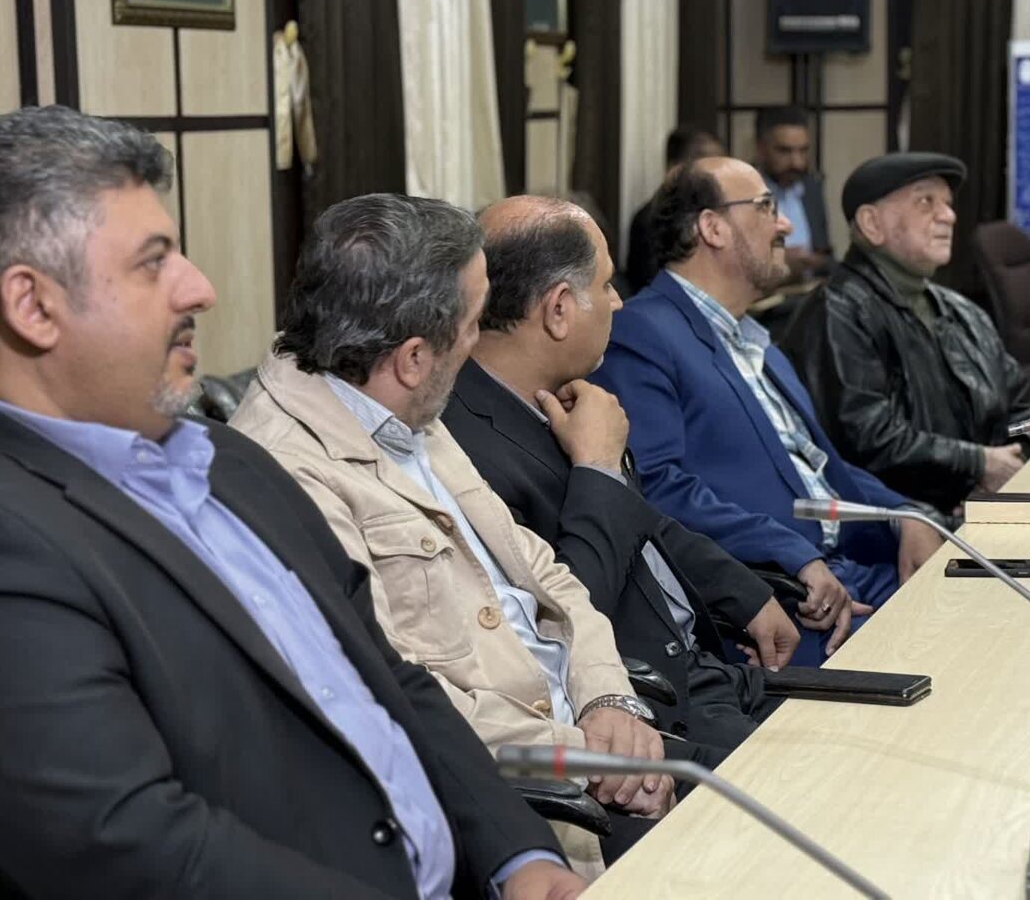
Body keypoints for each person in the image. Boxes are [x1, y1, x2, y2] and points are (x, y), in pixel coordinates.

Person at [0, 106, 583, 899]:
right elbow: (141, 856)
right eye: (153, 263)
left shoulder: (224, 458)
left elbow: (388, 675)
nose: (199, 288)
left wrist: (519, 854)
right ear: (32, 307)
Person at [230, 193, 686, 868]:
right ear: (415, 356)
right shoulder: (284, 471)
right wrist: (588, 754)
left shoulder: (398, 402)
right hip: (524, 805)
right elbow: (391, 692)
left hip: (592, 737)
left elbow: (545, 574)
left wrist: (610, 698)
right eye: (475, 323)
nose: (481, 344)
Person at [442, 195, 801, 764]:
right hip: (646, 713)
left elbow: (640, 519)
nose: (618, 301)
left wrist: (743, 591)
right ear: (559, 310)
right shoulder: (460, 446)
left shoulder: (566, 392)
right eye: (606, 285)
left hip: (710, 670)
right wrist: (599, 469)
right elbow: (557, 619)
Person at [591, 157, 943, 665]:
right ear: (712, 227)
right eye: (766, 207)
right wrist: (792, 555)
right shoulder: (642, 333)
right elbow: (655, 486)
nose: (786, 225)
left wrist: (905, 514)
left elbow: (824, 471)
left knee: (1007, 609)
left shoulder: (760, 344)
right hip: (784, 598)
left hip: (857, 569)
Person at [781, 153, 1030, 513]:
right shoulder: (837, 311)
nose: (948, 216)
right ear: (872, 223)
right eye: (926, 202)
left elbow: (1025, 411)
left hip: (989, 507)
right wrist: (978, 466)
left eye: (948, 204)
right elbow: (866, 439)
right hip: (904, 526)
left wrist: (1013, 464)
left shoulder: (962, 310)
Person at [626, 125, 725, 293]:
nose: (716, 175)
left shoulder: (711, 212)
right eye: (707, 164)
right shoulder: (651, 219)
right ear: (675, 166)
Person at [755, 106, 832, 280]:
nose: (796, 162)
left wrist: (816, 261)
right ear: (761, 149)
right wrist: (776, 260)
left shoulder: (811, 189)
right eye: (784, 151)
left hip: (809, 290)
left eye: (803, 151)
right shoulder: (743, 193)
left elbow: (826, 254)